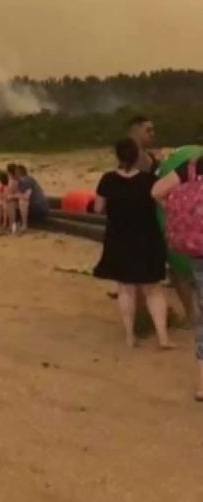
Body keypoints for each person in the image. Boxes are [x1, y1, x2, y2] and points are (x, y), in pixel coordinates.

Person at [95, 138, 172, 349]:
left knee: (126, 289)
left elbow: (98, 208)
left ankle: (130, 336)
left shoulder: (108, 180)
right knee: (153, 289)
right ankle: (163, 338)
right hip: (147, 237)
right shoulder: (148, 181)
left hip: (119, 238)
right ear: (137, 156)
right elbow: (164, 205)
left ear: (118, 156)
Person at [153, 152, 203, 399]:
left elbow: (156, 191)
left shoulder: (191, 165)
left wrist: (174, 212)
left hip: (198, 248)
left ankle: (202, 384)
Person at [9, 165, 49, 233]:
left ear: (18, 173)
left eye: (15, 173)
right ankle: (12, 226)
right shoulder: (20, 182)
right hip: (32, 206)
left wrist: (12, 196)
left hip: (39, 207)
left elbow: (26, 196)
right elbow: (18, 194)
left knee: (22, 201)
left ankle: (24, 225)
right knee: (12, 202)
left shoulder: (27, 181)